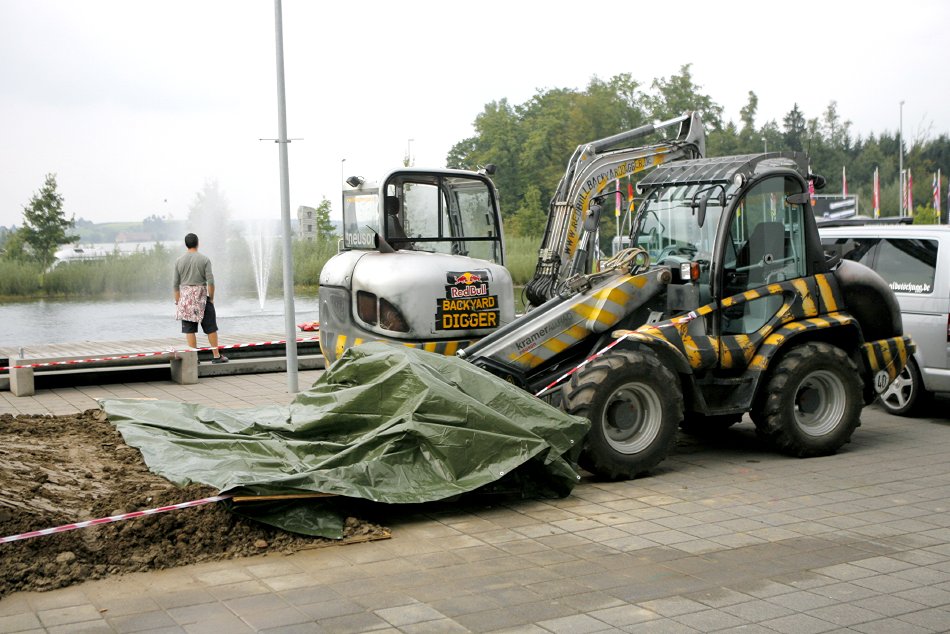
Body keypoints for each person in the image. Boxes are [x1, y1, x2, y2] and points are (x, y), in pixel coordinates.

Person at [173, 233, 228, 363]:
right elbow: (211, 282)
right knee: (211, 327)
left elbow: (175, 284)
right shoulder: (204, 259)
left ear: (186, 244)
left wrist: (178, 301)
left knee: (190, 330)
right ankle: (216, 356)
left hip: (186, 297)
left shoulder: (179, 261)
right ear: (198, 243)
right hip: (202, 296)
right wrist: (211, 298)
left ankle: (194, 359)